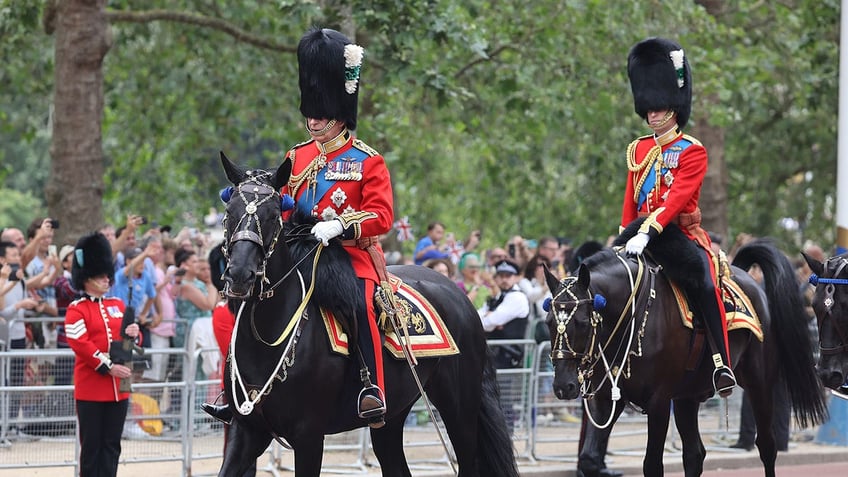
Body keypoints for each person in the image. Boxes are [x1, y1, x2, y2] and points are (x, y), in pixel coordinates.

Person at [206, 27, 394, 428]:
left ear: (340, 114)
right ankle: (233, 386)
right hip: (295, 250)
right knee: (243, 300)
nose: (312, 121)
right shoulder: (297, 155)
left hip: (347, 254)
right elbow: (282, 204)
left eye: (320, 114)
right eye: (309, 113)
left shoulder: (367, 160)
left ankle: (370, 386)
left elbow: (381, 216)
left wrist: (342, 225)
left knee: (358, 304)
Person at [618, 37, 735, 397]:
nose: (652, 114)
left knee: (703, 281)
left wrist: (648, 231)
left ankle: (721, 363)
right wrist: (624, 234)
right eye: (648, 109)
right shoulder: (638, 148)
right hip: (638, 232)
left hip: (676, 234)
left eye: (659, 107)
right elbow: (630, 196)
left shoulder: (692, 150)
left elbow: (676, 200)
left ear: (674, 106)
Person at [64, 232, 140, 477]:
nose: (107, 279)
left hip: (120, 388)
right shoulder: (77, 309)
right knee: (92, 448)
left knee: (112, 446)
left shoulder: (117, 305)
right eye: (100, 276)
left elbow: (127, 343)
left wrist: (134, 334)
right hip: (92, 389)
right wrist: (108, 366)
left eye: (107, 275)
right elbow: (80, 344)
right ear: (86, 278)